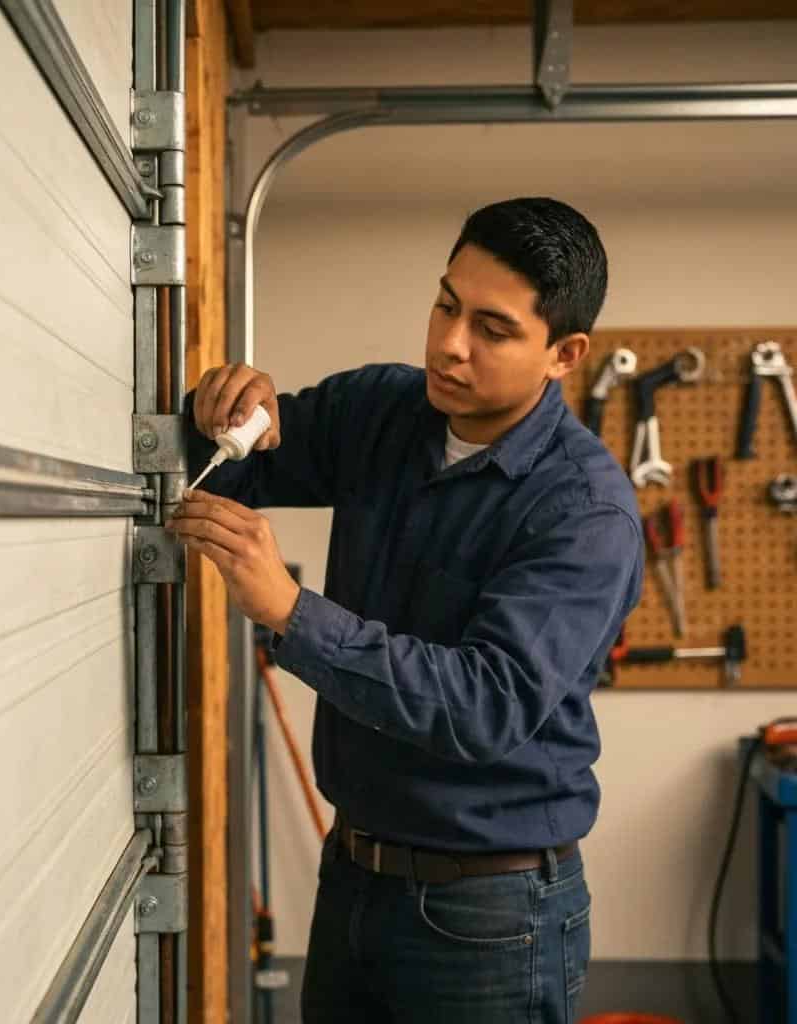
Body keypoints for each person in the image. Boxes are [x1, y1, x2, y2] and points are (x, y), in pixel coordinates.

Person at [167, 197, 644, 1023]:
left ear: (564, 353)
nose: (449, 344)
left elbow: (487, 704)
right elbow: (237, 464)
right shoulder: (382, 410)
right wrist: (230, 409)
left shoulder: (584, 512)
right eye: (446, 304)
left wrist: (289, 609)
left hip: (489, 921)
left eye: (492, 330)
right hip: (353, 874)